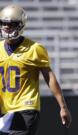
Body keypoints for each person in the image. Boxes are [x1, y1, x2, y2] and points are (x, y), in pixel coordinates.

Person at [0, 5, 71, 135]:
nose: (6, 27)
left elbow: (49, 77)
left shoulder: (34, 48)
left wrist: (63, 106)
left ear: (20, 25)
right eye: (3, 23)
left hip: (26, 107)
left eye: (11, 24)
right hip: (5, 109)